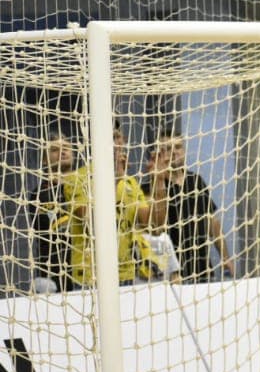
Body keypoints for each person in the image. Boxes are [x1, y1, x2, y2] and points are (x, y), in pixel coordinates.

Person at [64, 123, 165, 287]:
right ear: (95, 142)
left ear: (124, 141)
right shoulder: (78, 178)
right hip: (90, 276)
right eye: (110, 138)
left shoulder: (131, 183)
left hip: (125, 273)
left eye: (117, 137)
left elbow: (155, 227)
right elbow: (91, 221)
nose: (115, 143)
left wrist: (159, 181)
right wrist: (115, 179)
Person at [142, 133, 231, 281]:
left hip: (202, 269)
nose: (174, 152)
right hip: (170, 275)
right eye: (168, 149)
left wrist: (225, 257)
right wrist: (159, 180)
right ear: (160, 155)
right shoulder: (149, 187)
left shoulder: (196, 181)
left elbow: (212, 223)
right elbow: (155, 228)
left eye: (178, 147)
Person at [28, 133, 76, 293]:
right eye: (55, 149)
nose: (63, 152)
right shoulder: (39, 195)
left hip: (88, 271)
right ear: (44, 160)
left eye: (66, 148)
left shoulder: (87, 187)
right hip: (55, 275)